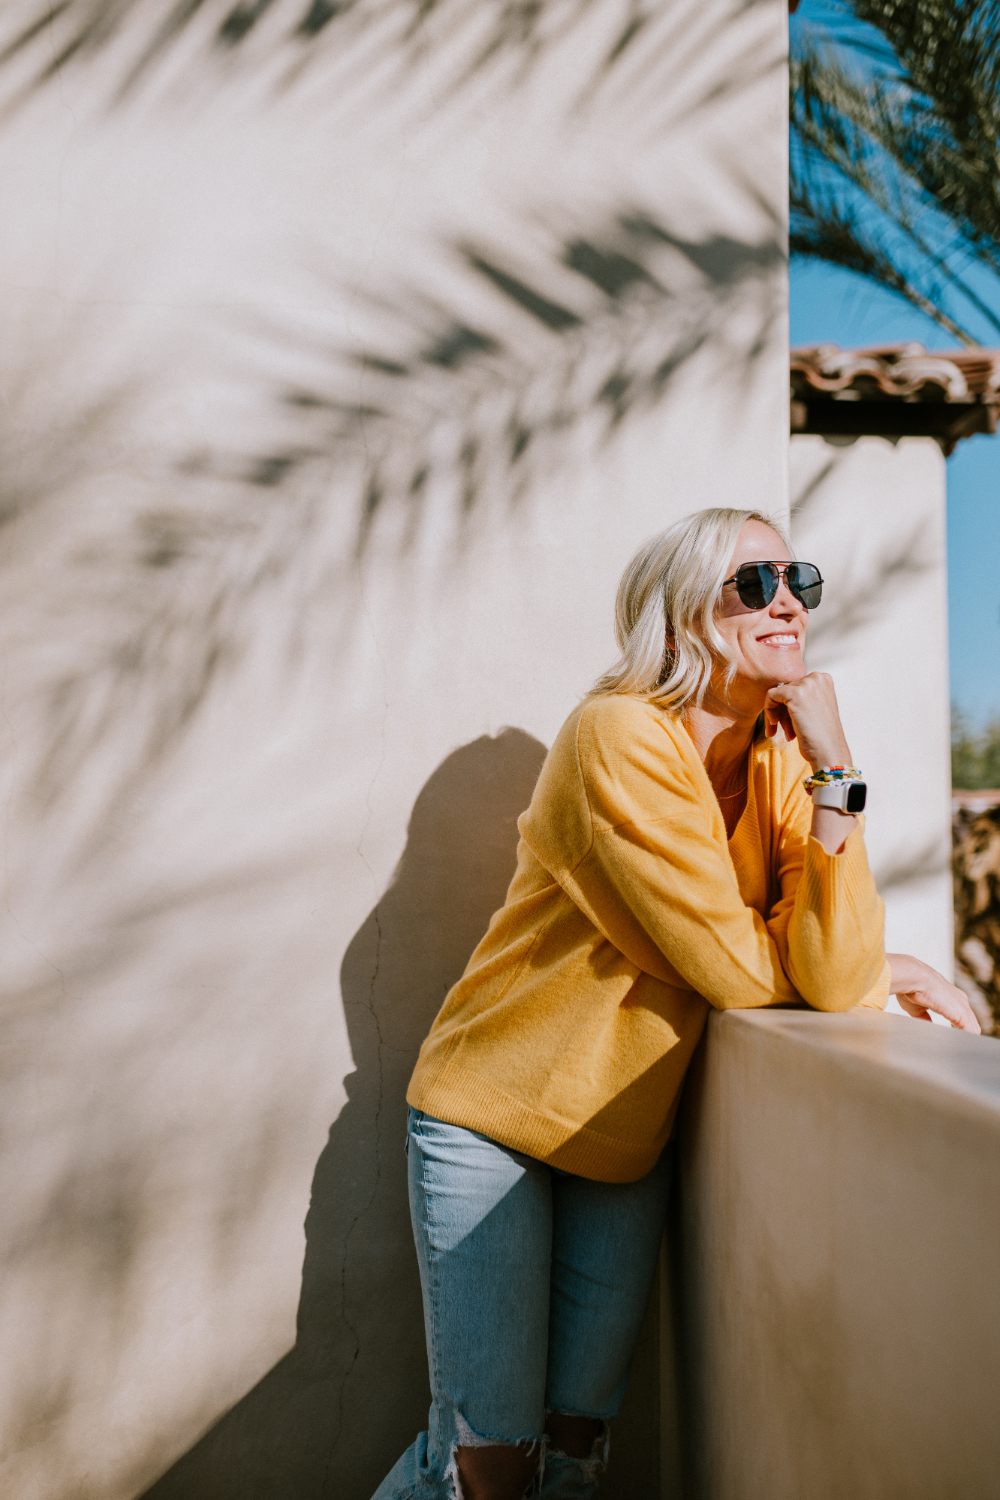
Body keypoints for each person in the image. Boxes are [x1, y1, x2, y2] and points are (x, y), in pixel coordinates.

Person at [372, 507, 979, 1500]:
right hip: (494, 1121)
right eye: (756, 583)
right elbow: (732, 970)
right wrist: (882, 974)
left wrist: (837, 772)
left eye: (799, 580)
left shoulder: (784, 756)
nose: (788, 602)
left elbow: (826, 978)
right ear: (681, 611)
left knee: (576, 1449)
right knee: (487, 1467)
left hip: (625, 1138)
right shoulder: (615, 735)